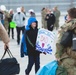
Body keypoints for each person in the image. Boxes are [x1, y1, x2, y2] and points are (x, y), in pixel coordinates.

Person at [55, 7, 76, 75]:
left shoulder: (66, 27)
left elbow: (59, 43)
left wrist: (58, 55)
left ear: (69, 16)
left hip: (69, 56)